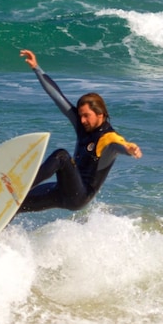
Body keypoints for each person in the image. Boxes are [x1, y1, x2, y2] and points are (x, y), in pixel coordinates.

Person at [17, 49, 142, 213]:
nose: (82, 120)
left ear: (100, 114)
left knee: (61, 156)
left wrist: (129, 149)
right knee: (17, 203)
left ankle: (22, 186)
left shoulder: (108, 138)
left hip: (79, 196)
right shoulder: (83, 125)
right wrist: (36, 68)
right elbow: (57, 96)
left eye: (86, 116)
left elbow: (120, 145)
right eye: (80, 115)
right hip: (61, 189)